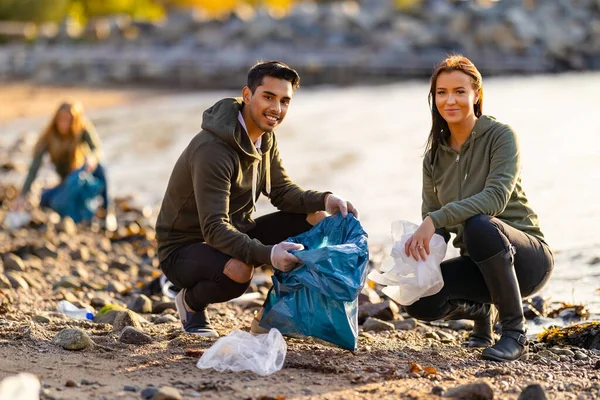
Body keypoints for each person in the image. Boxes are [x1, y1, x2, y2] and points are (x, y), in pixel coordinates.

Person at [156, 61, 359, 337]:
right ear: (248, 95)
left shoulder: (265, 138)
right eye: (268, 97)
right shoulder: (213, 150)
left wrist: (325, 199)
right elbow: (214, 228)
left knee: (315, 220)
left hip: (232, 233)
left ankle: (280, 315)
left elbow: (283, 193)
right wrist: (269, 254)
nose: (276, 109)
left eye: (285, 100)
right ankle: (191, 302)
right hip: (184, 249)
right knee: (240, 271)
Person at [403, 55, 553, 362]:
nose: (450, 100)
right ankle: (481, 310)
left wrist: (434, 219)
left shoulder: (501, 136)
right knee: (416, 299)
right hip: (479, 266)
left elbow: (495, 199)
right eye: (442, 93)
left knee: (479, 224)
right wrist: (412, 260)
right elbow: (438, 230)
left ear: (476, 94)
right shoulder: (434, 158)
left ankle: (513, 333)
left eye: (459, 91)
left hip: (526, 260)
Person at [14, 102, 109, 223]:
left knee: (101, 168)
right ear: (56, 119)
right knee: (44, 200)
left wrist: (92, 159)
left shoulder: (82, 129)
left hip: (82, 175)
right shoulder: (48, 136)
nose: (64, 124)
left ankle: (107, 210)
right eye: (61, 120)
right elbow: (34, 168)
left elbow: (96, 149)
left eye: (68, 120)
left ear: (75, 121)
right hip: (66, 181)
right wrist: (23, 195)